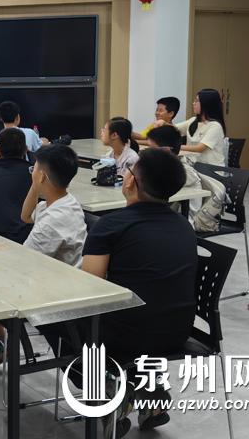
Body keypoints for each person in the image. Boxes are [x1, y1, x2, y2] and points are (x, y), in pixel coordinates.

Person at [81, 148, 197, 431]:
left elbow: (88, 289)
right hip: (178, 331)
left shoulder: (110, 225)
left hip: (125, 335)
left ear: (132, 181)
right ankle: (150, 395)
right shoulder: (184, 226)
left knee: (61, 325)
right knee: (147, 308)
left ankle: (111, 394)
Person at [21, 144, 87, 267]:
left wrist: (36, 180)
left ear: (42, 176)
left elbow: (25, 260)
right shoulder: (67, 201)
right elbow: (26, 216)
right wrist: (36, 184)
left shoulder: (51, 222)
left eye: (33, 169)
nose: (31, 173)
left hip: (65, 277)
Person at [173, 89, 227, 166]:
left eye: (197, 101)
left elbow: (199, 148)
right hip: (193, 165)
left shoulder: (215, 126)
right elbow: (173, 129)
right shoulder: (193, 121)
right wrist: (163, 123)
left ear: (207, 104)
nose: (193, 103)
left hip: (210, 169)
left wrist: (175, 147)